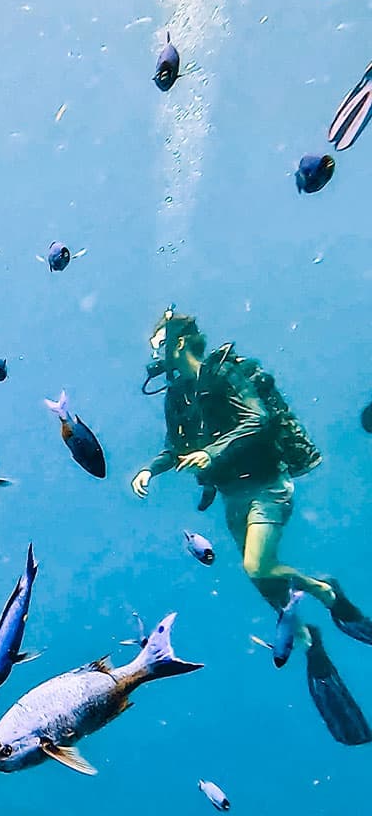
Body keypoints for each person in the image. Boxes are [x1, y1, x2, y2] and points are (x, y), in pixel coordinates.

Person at [132, 309, 372, 743]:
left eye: (159, 345)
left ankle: (324, 590)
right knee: (268, 587)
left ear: (180, 343)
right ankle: (307, 641)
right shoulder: (176, 397)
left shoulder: (224, 375)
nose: (155, 356)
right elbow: (174, 446)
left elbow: (258, 420)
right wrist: (151, 469)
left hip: (266, 487)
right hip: (230, 497)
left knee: (258, 567)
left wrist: (214, 454)